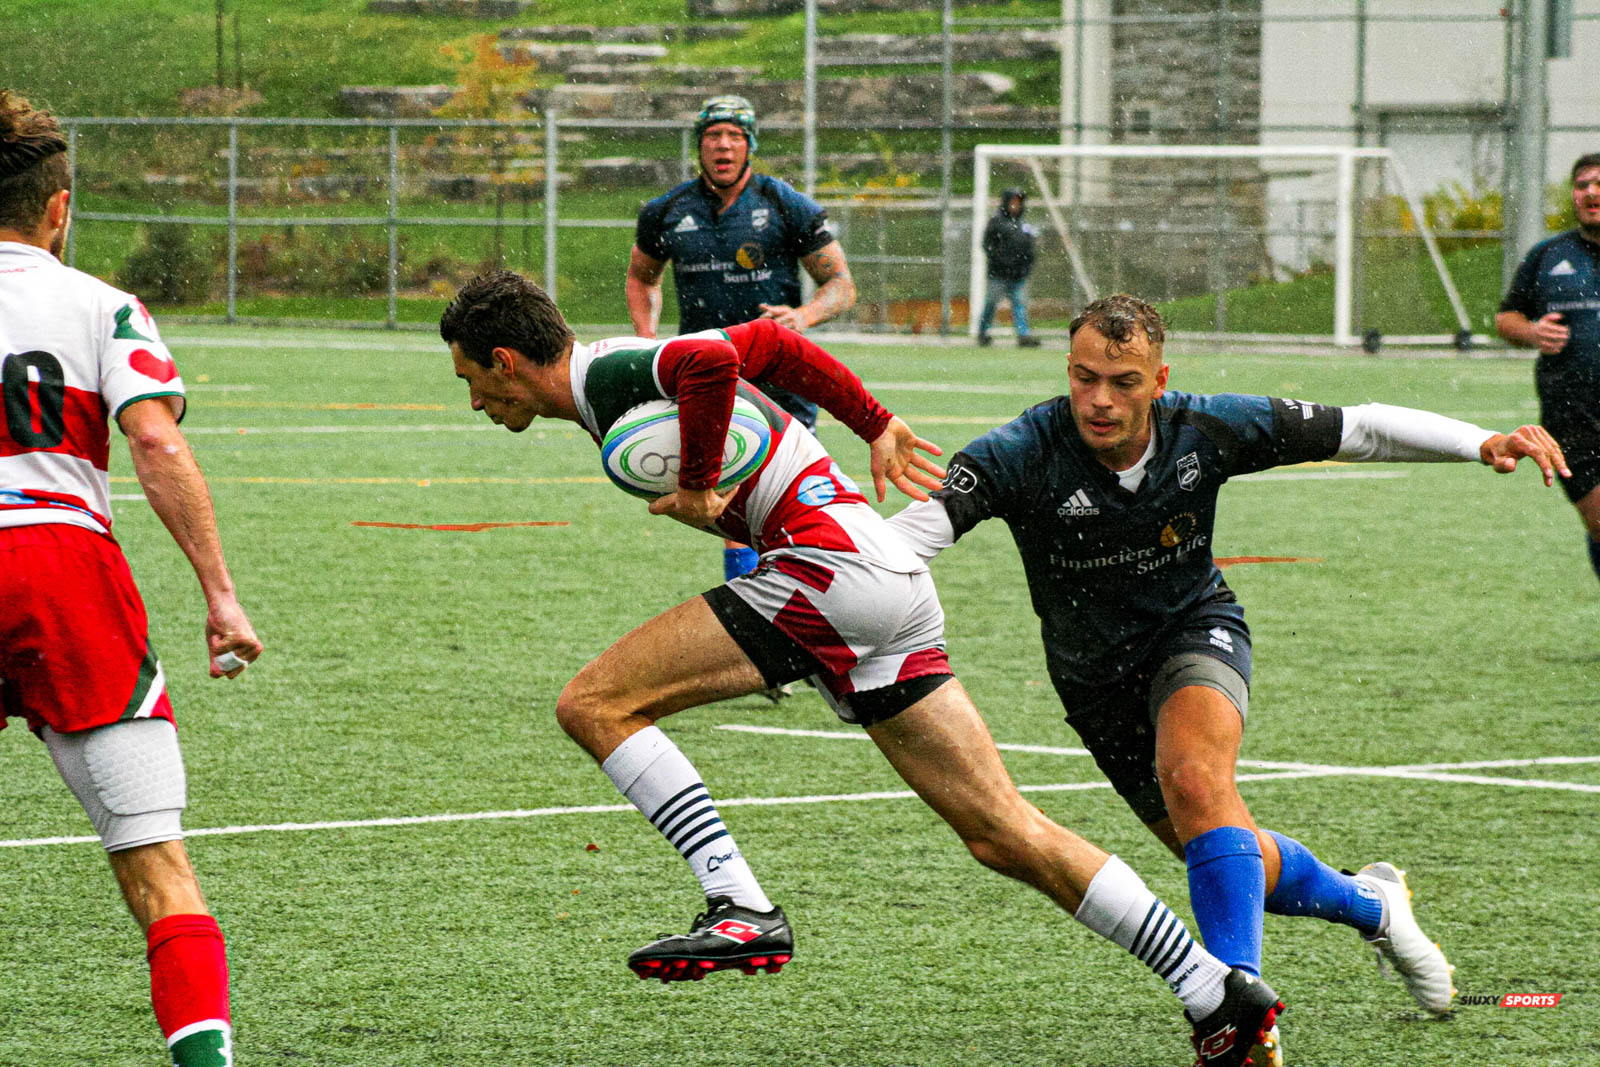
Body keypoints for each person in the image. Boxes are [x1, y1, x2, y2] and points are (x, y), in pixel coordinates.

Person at [442, 270, 1284, 1067]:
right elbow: (773, 349)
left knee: (594, 703)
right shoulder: (613, 386)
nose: (476, 400)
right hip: (884, 579)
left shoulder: (616, 373)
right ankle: (1214, 990)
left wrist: (701, 483)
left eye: (473, 381)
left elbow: (708, 360)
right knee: (1002, 831)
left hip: (830, 572)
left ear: (505, 361)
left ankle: (739, 904)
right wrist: (874, 421)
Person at [887, 293, 1570, 1060]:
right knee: (1214, 847)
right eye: (1084, 378)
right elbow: (904, 546)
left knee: (1195, 778)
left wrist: (1481, 441)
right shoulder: (1021, 450)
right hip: (1093, 682)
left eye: (1124, 381)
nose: (1101, 400)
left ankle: (1238, 1011)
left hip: (1194, 630)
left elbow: (1363, 426)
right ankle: (1371, 902)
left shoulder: (1206, 427)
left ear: (1160, 378)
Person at [0, 90, 262, 1067]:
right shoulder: (100, 304)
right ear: (59, 208)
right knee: (155, 860)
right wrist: (220, 594)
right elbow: (153, 437)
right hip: (62, 567)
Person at [626, 94, 859, 613]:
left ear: (749, 145)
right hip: (709, 379)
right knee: (732, 504)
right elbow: (643, 278)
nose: (723, 145)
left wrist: (803, 317)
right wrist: (647, 339)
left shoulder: (784, 205)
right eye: (713, 136)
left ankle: (803, 600)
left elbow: (841, 284)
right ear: (700, 147)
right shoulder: (667, 211)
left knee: (796, 500)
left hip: (783, 379)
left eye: (734, 136)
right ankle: (762, 617)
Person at [1496, 152, 1600, 587]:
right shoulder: (1548, 256)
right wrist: (1534, 332)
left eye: (1599, 183)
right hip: (1572, 420)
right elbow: (1507, 318)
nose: (1591, 192)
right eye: (1582, 184)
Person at [978, 186, 1041, 348]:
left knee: (1019, 304)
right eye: (1013, 201)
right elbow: (987, 245)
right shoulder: (996, 223)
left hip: (1018, 275)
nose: (1016, 205)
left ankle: (1023, 335)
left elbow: (1029, 249)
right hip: (999, 274)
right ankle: (983, 332)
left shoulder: (1023, 225)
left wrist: (1025, 266)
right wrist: (1002, 261)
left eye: (1018, 202)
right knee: (991, 303)